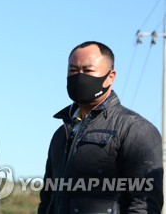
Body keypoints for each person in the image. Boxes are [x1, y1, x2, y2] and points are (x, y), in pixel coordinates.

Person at [38, 41, 163, 214]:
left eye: (88, 71)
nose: (79, 77)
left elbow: (144, 204)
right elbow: (47, 198)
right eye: (73, 71)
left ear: (111, 76)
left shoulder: (135, 129)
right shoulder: (61, 134)